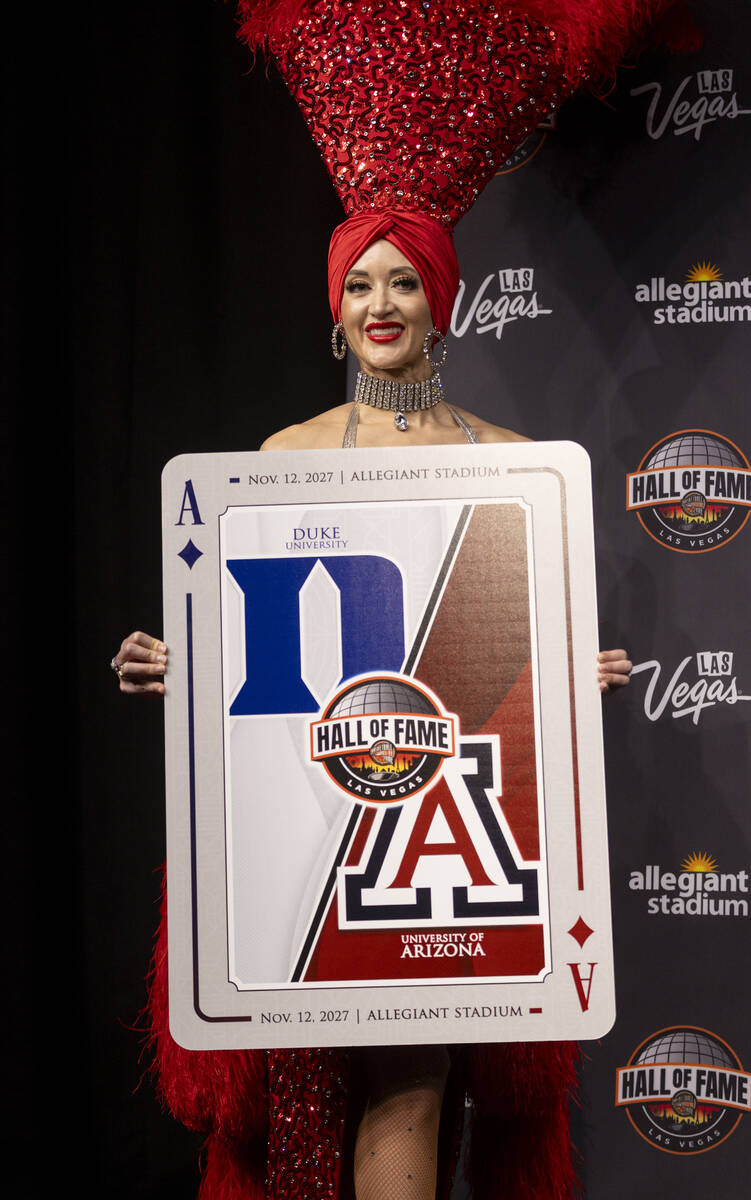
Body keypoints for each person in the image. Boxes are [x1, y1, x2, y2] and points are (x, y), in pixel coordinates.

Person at [111, 3, 702, 1196]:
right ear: (335, 308)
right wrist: (187, 669)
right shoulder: (278, 457)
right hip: (304, 836)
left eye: (404, 283)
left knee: (407, 1095)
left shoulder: (507, 462)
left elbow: (492, 662)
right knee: (294, 1120)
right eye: (360, 284)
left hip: (429, 852)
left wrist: (564, 683)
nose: (382, 305)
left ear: (443, 302)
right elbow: (259, 657)